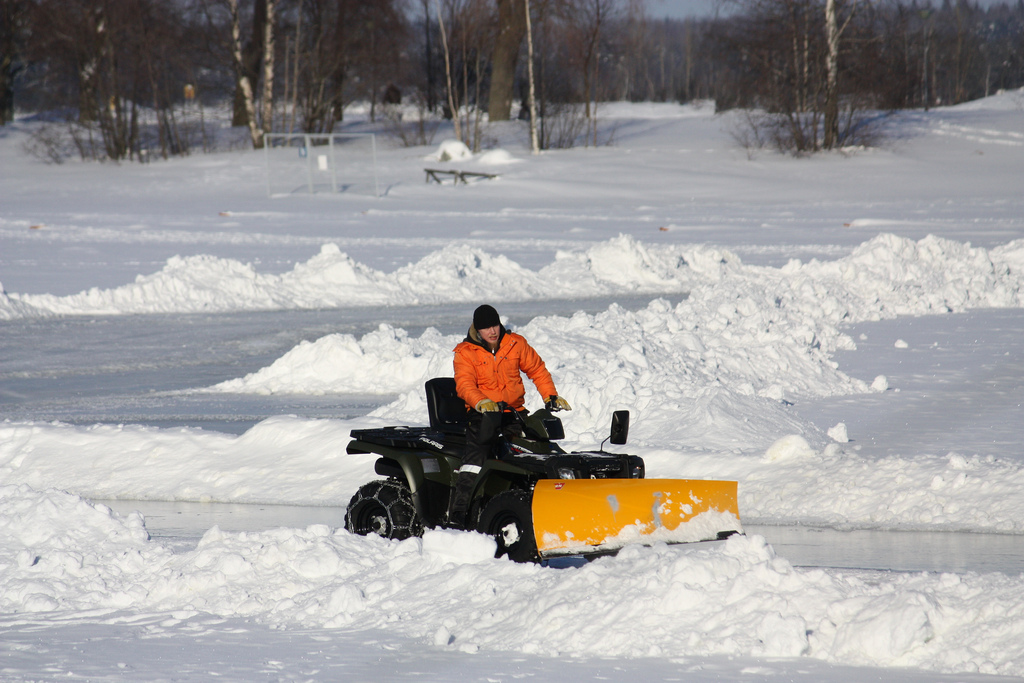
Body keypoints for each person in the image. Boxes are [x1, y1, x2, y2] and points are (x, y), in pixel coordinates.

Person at [447, 304, 571, 529]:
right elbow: (464, 384)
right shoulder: (465, 352)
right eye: (486, 328)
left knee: (539, 448)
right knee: (476, 458)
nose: (492, 331)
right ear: (477, 329)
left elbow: (537, 370)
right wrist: (481, 401)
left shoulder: (515, 343)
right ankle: (459, 514)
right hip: (483, 414)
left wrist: (551, 395)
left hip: (515, 413)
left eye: (494, 325)